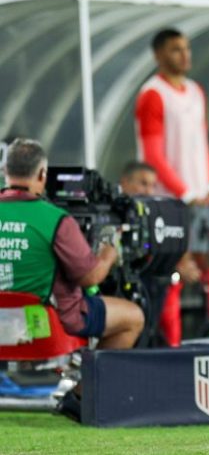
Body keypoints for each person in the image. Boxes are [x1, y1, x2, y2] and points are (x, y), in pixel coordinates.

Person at [0, 138, 144, 420]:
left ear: (5, 171)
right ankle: (81, 396)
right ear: (42, 174)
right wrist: (108, 253)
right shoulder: (56, 220)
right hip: (44, 329)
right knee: (133, 317)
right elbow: (91, 276)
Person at [135, 28, 209, 346]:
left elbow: (200, 146)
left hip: (199, 204)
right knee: (173, 281)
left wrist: (208, 189)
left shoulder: (195, 91)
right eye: (176, 49)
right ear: (158, 55)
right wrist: (187, 195)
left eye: (186, 48)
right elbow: (153, 156)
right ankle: (172, 355)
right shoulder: (152, 94)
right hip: (169, 207)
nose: (185, 55)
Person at [119, 161, 201, 346]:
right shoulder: (113, 214)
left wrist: (179, 267)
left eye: (152, 185)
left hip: (153, 289)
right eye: (143, 183)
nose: (148, 191)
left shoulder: (157, 215)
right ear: (124, 182)